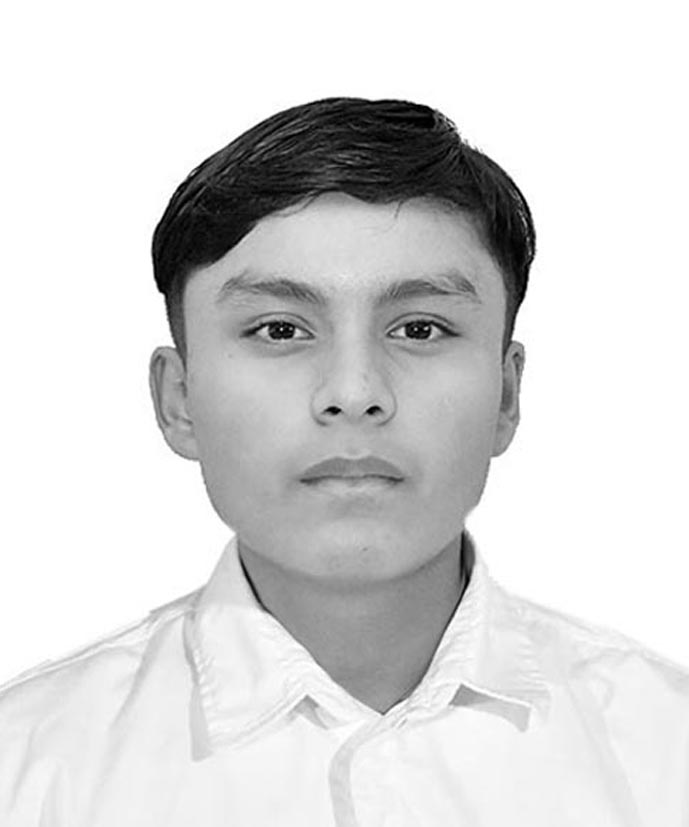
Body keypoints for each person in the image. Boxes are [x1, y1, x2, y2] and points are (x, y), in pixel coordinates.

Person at [0, 97, 687, 826]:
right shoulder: (28, 767)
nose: (354, 393)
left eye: (420, 328)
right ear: (179, 401)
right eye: (280, 329)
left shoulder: (663, 751)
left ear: (506, 395)